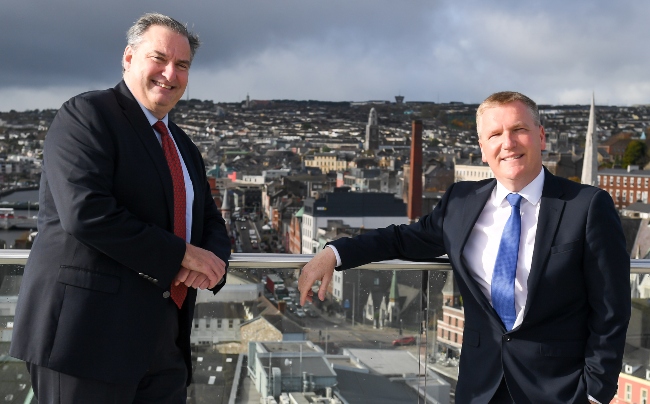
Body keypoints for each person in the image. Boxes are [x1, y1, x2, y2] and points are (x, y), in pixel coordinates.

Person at [298, 91, 630, 403]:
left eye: (519, 130)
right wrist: (334, 252)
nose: (508, 143)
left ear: (541, 137)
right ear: (482, 148)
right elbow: (400, 238)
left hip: (559, 390)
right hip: (480, 387)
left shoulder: (587, 206)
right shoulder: (462, 202)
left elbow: (611, 307)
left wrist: (595, 392)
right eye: (495, 135)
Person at [9, 13, 231, 403]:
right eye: (158, 58)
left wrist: (213, 262)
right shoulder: (86, 115)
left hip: (163, 341)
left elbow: (209, 217)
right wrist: (181, 255)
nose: (170, 73)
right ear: (128, 58)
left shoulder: (182, 145)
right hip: (85, 340)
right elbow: (87, 213)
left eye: (182, 65)